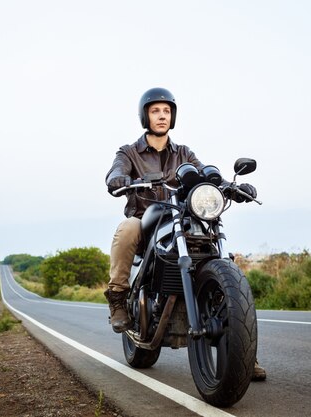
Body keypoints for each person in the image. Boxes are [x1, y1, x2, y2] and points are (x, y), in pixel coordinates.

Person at [104, 87, 266, 381]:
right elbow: (115, 173)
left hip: (183, 216)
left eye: (166, 111)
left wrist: (231, 186)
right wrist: (121, 179)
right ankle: (117, 297)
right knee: (126, 228)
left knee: (219, 253)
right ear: (145, 115)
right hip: (146, 220)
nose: (162, 116)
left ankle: (241, 353)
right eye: (156, 111)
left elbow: (203, 173)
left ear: (173, 116)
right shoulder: (128, 152)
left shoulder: (184, 153)